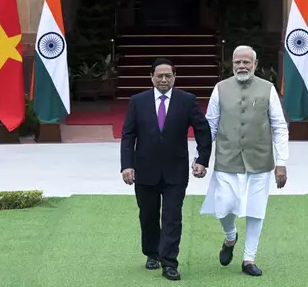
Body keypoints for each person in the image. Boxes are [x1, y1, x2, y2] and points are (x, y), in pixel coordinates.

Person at [196, 45, 289, 277]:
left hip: (259, 160)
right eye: (237, 62)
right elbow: (210, 125)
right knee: (224, 204)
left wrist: (282, 161)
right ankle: (230, 237)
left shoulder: (268, 89)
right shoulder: (220, 89)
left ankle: (249, 258)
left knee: (256, 211)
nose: (241, 66)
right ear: (232, 63)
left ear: (255, 65)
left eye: (246, 62)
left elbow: (279, 126)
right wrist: (202, 158)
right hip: (227, 158)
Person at [120, 57, 212, 281]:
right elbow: (128, 135)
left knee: (172, 217)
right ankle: (152, 253)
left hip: (176, 171)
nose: (163, 79)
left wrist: (202, 159)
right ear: (151, 77)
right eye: (159, 75)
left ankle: (169, 263)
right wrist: (127, 165)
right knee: (148, 215)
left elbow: (203, 130)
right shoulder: (137, 101)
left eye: (168, 75)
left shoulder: (187, 100)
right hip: (144, 169)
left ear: (174, 77)